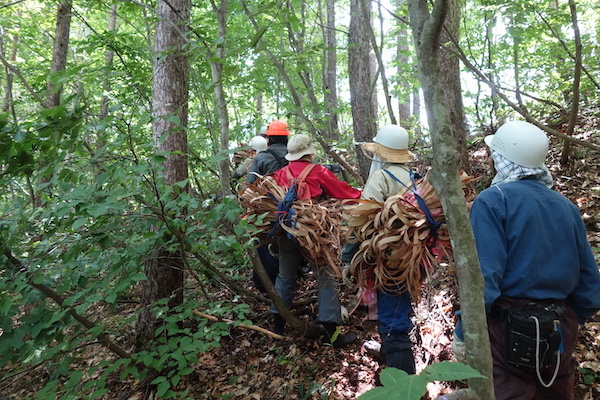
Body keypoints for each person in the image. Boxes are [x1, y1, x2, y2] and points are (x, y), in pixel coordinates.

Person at [457, 120, 600, 399]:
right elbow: (590, 286)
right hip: (560, 326)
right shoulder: (567, 206)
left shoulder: (492, 201)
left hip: (507, 327)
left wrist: (465, 329)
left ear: (499, 160)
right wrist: (569, 319)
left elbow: (484, 278)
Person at [270, 133, 362, 348]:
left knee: (285, 276)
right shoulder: (318, 171)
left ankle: (277, 324)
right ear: (309, 152)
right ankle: (331, 334)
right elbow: (344, 193)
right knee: (325, 278)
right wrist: (364, 194)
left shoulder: (280, 174)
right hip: (314, 234)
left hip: (286, 231)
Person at [341, 124, 419, 373]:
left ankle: (403, 383)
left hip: (389, 260)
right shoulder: (415, 178)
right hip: (413, 257)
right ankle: (390, 353)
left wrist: (348, 255)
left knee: (393, 318)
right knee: (399, 306)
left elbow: (360, 219)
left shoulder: (381, 178)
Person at [246, 119, 290, 184]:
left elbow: (250, 183)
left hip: (267, 193)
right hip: (294, 193)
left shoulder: (260, 157)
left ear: (269, 138)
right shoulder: (296, 157)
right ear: (286, 137)